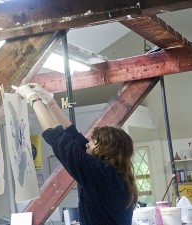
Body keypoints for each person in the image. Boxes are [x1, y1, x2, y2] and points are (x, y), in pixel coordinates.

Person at [12, 83, 138, 225]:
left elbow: (58, 138)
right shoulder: (113, 174)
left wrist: (33, 99)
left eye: (94, 141)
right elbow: (73, 135)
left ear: (107, 150)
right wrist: (49, 101)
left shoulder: (101, 173)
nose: (88, 143)